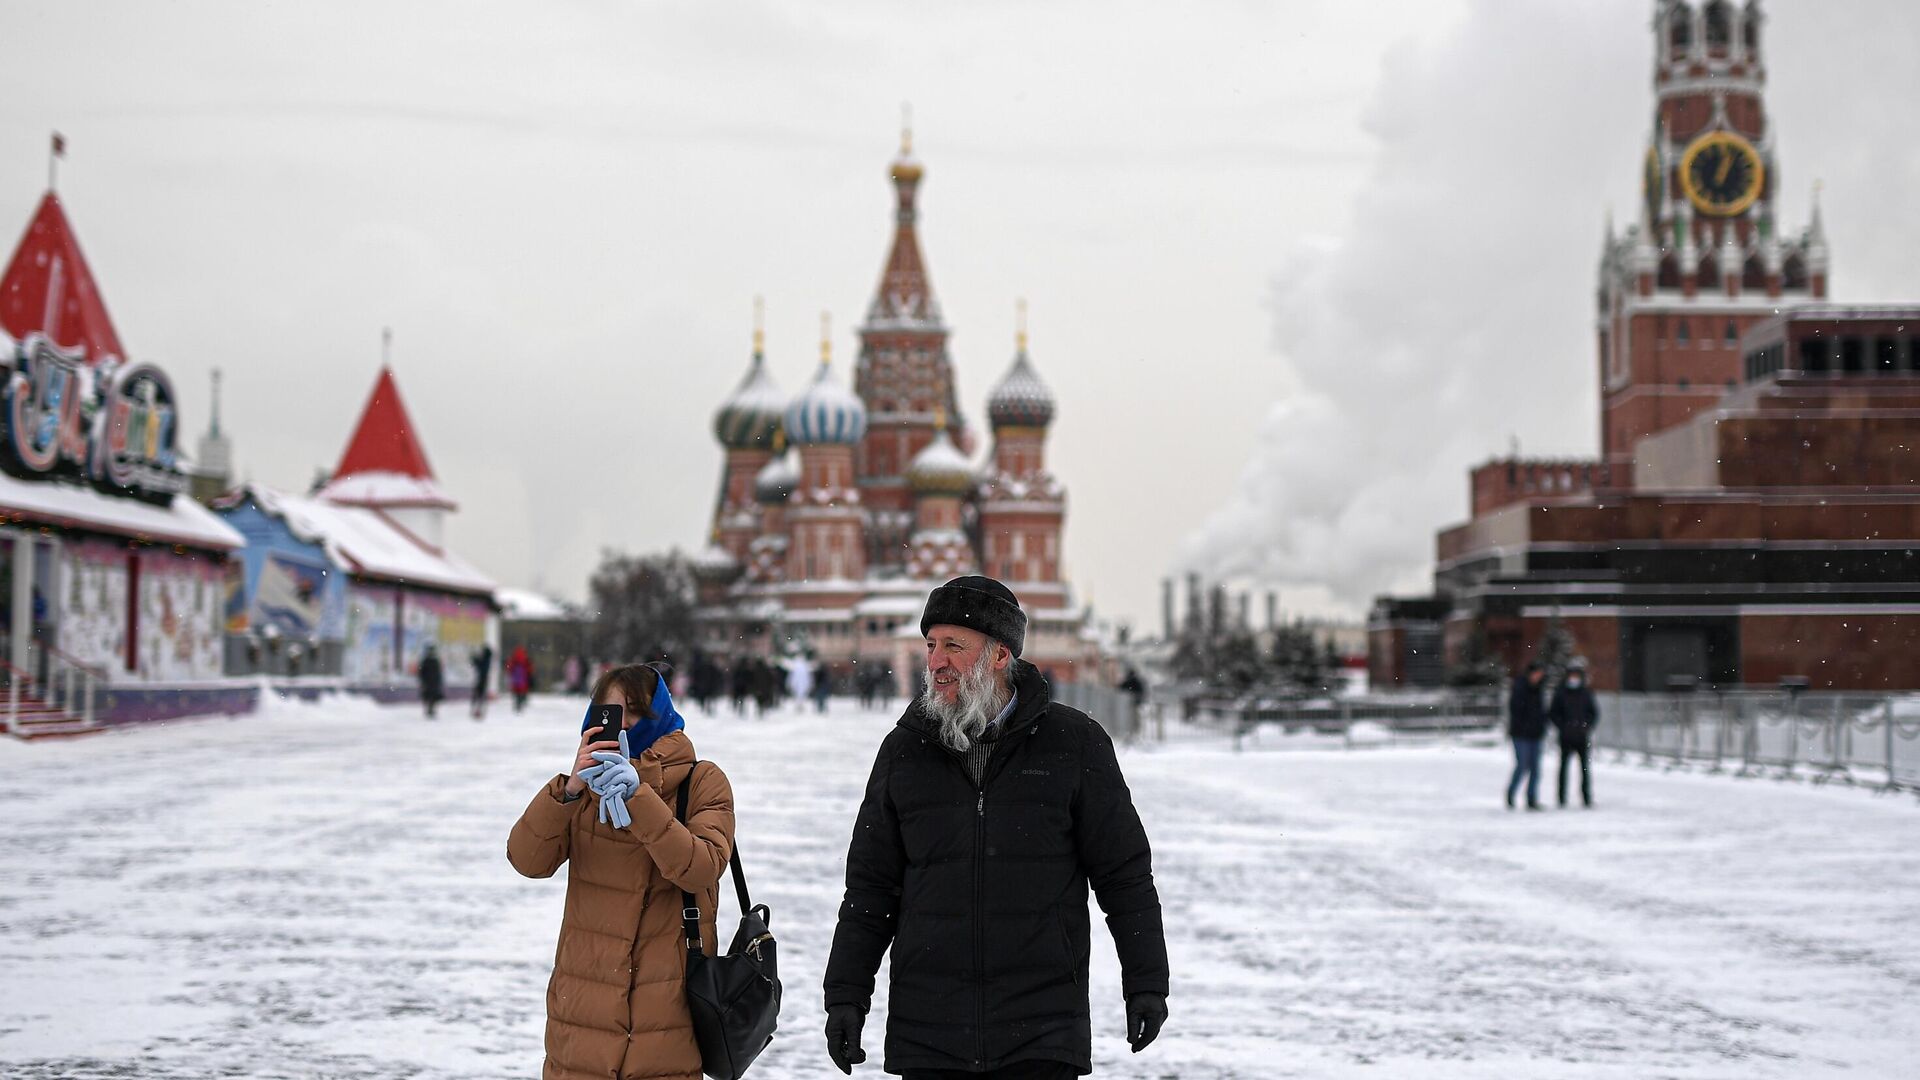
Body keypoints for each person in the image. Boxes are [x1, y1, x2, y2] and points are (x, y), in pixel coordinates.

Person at [823, 575, 1170, 1079]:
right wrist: (846, 996)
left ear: (1000, 656)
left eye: (953, 647)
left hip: (1042, 1031)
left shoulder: (1073, 744)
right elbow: (871, 888)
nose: (936, 661)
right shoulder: (904, 750)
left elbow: (1125, 876)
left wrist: (1146, 983)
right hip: (929, 1031)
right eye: (931, 645)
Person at [507, 663, 736, 1080]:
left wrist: (639, 796)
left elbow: (701, 869)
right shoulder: (582, 791)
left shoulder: (702, 781)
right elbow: (527, 860)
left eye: (634, 710)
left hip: (666, 1022)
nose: (622, 723)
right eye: (610, 712)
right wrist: (570, 789)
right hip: (582, 1017)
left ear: (660, 714)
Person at [1550, 660, 1600, 808]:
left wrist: (1586, 726)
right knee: (1563, 768)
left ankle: (1586, 797)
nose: (1574, 678)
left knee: (1584, 768)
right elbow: (1553, 713)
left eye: (1576, 675)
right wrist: (1563, 726)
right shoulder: (1561, 693)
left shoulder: (1586, 693)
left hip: (1581, 737)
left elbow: (1593, 713)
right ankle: (1561, 798)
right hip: (1566, 737)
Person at [1506, 661, 1548, 811]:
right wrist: (1525, 726)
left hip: (1535, 735)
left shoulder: (1539, 690)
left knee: (1535, 768)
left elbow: (1541, 712)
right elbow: (1516, 711)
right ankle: (1511, 793)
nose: (1539, 676)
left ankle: (1531, 798)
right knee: (1522, 765)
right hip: (1521, 735)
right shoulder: (1520, 688)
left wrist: (1541, 725)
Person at [417, 644, 444, 719]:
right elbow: (421, 672)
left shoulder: (435, 660)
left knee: (433, 697)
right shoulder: (426, 660)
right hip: (429, 682)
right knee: (428, 696)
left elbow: (438, 672)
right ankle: (429, 709)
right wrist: (423, 681)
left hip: (433, 682)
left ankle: (431, 709)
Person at [470, 641, 495, 720]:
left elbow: (478, 665)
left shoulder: (485, 659)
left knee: (478, 694)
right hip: (484, 678)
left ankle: (478, 711)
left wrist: (474, 659)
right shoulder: (487, 659)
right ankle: (479, 710)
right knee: (481, 695)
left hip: (481, 678)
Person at [507, 645, 534, 712]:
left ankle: (517, 704)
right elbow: (530, 669)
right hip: (523, 679)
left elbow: (509, 667)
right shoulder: (526, 659)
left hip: (515, 679)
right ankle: (522, 701)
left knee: (516, 692)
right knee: (522, 691)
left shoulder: (514, 658)